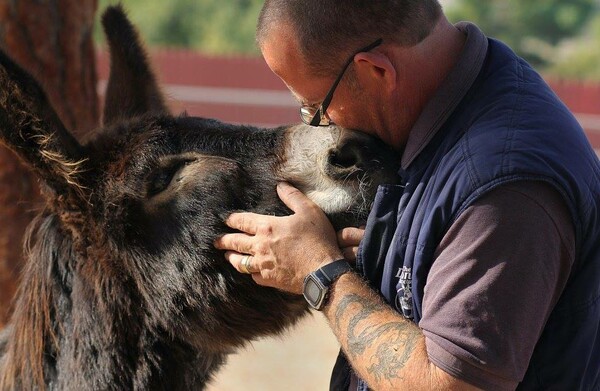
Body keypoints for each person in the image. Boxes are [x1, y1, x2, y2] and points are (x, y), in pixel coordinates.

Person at [214, 1, 600, 389]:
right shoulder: (448, 117)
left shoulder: (504, 186)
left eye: (316, 107)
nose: (325, 125)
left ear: (376, 70)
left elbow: (448, 384)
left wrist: (320, 274)